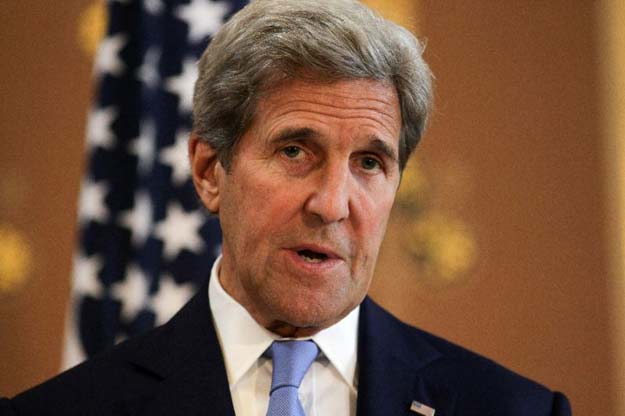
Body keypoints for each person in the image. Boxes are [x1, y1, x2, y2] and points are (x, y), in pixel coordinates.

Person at [1, 0, 571, 415]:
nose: (331, 205)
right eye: (295, 150)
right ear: (209, 171)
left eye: (370, 163)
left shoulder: (513, 409)